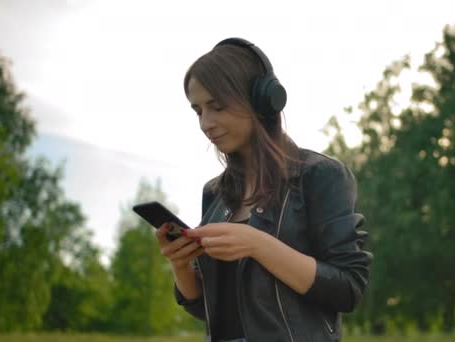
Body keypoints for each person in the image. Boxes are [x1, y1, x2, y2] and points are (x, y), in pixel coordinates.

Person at [155, 37, 372, 342]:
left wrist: (257, 244)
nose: (205, 122)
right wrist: (180, 263)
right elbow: (208, 308)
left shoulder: (321, 176)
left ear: (261, 100)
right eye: (198, 111)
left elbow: (348, 287)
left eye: (217, 106)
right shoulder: (214, 193)